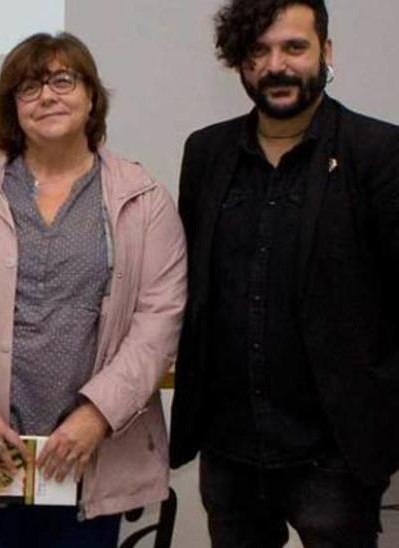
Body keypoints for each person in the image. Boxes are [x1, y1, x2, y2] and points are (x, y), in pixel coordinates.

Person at [0, 32, 187, 547]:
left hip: (86, 455)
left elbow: (158, 320)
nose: (47, 96)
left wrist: (97, 417)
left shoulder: (144, 199)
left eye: (62, 80)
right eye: (27, 88)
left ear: (91, 95)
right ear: (11, 108)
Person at [171, 1, 399, 545]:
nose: (276, 65)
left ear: (326, 51)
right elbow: (194, 288)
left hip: (333, 455)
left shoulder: (378, 152)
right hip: (228, 450)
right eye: (259, 51)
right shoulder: (206, 153)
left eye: (294, 47)